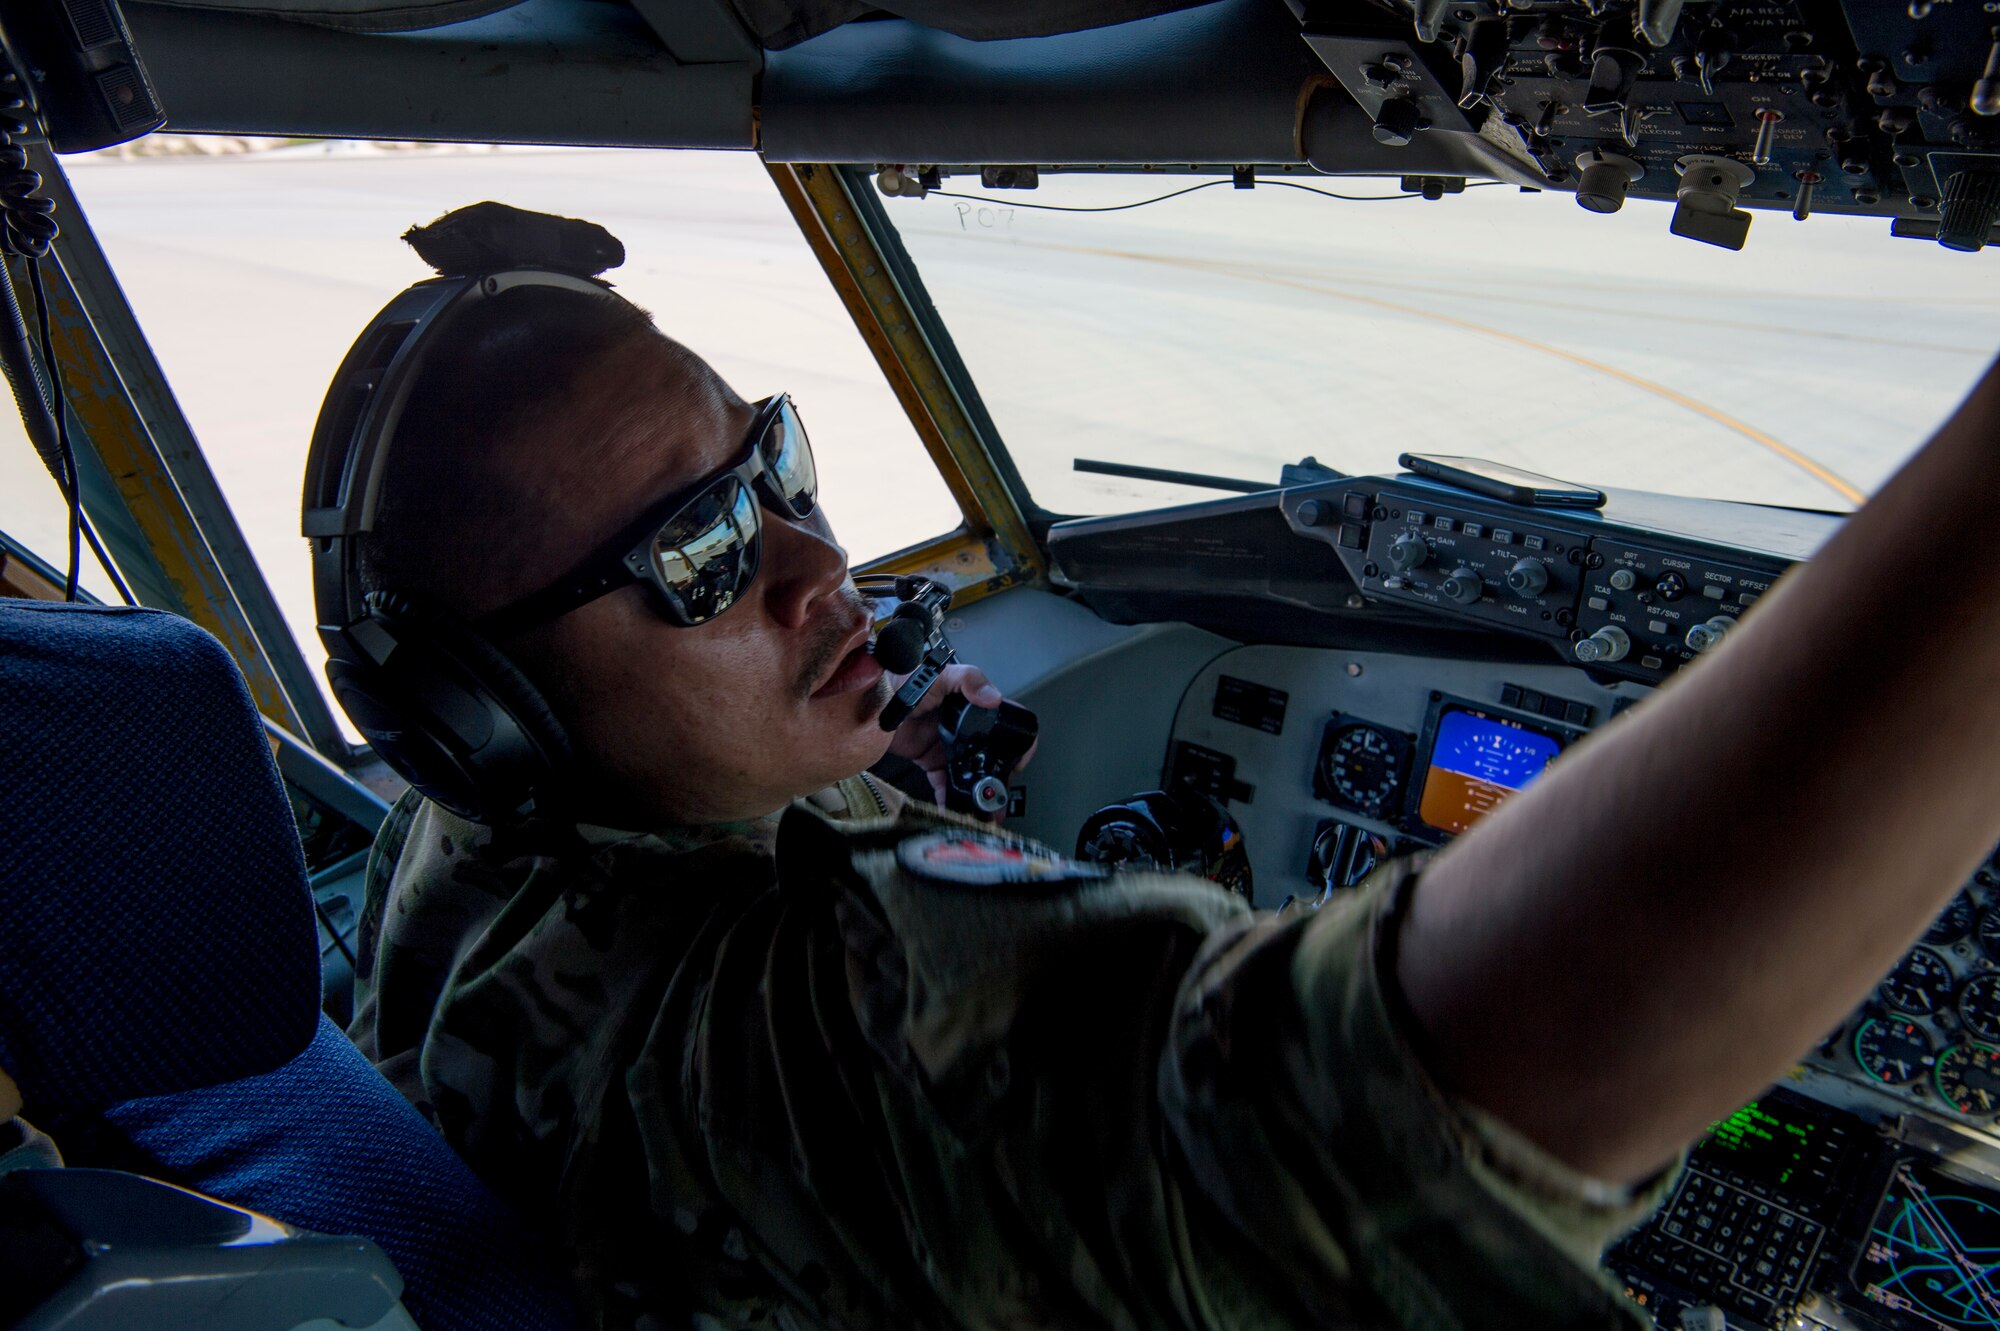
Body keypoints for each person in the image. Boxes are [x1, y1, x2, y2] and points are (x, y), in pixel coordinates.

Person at [341, 205, 2000, 1330]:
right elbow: (1409, 1104)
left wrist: (863, 775)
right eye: (701, 553)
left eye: (768, 457)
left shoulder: (484, 839)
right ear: (499, 710)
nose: (815, 562)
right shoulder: (766, 1032)